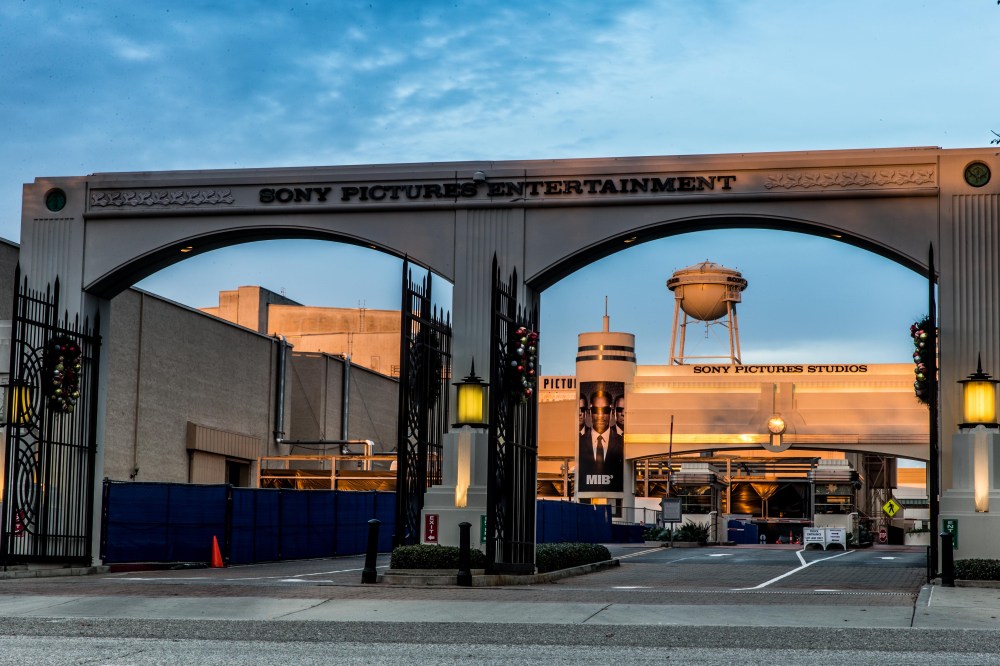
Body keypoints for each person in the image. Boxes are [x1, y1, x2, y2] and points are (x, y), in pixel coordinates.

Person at [578, 389, 624, 492]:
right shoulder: (579, 442)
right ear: (590, 412)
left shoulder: (622, 443)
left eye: (605, 410)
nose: (600, 415)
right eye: (596, 410)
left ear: (612, 413)